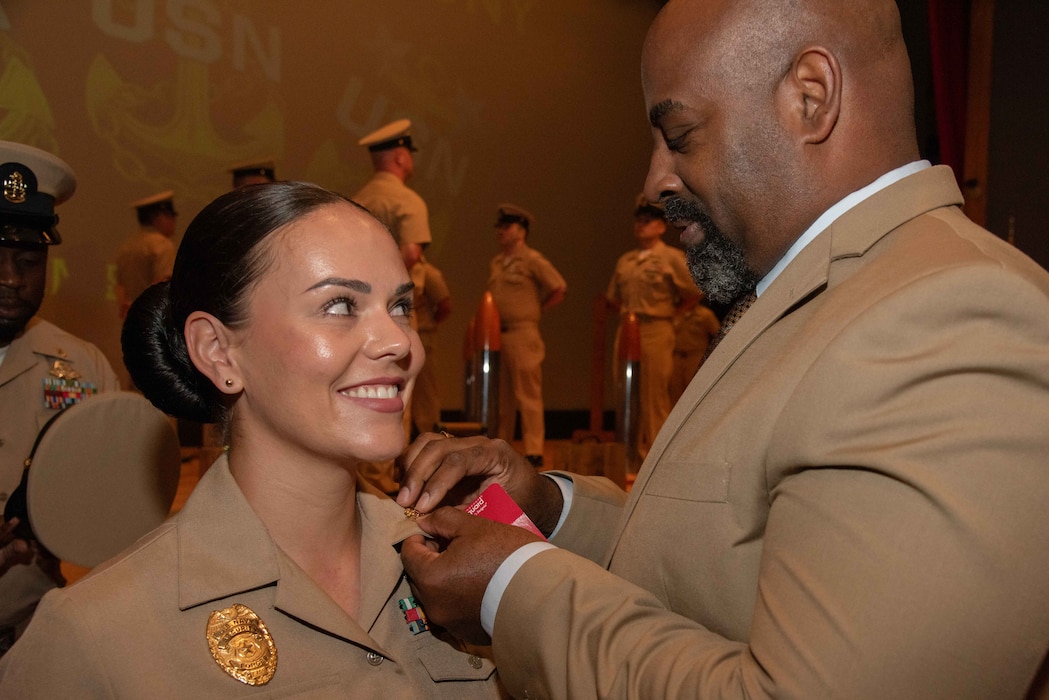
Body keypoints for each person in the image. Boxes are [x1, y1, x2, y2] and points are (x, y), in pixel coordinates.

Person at [394, 1, 1049, 698]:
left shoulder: (953, 319)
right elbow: (734, 555)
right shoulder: (825, 290)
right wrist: (550, 509)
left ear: (810, 97)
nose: (654, 183)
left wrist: (513, 589)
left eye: (679, 136)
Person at [0, 182, 506, 697]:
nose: (400, 342)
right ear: (219, 352)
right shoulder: (97, 635)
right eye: (339, 305)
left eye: (401, 307)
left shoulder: (463, 561)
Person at [0, 141, 119, 654]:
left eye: (28, 261)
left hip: (38, 639)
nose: (10, 279)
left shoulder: (83, 364)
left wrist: (64, 529)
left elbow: (118, 498)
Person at [353, 118, 439, 491]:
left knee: (361, 390)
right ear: (402, 157)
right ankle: (385, 483)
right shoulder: (408, 201)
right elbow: (410, 253)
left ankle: (365, 478)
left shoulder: (355, 200)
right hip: (393, 314)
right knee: (393, 392)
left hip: (356, 316)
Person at [605, 194, 700, 458]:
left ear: (660, 226)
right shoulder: (626, 261)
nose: (641, 226)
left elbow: (694, 293)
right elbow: (613, 299)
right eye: (638, 221)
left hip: (656, 330)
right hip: (627, 331)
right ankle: (628, 455)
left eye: (648, 221)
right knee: (625, 394)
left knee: (653, 397)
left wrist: (672, 316)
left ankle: (656, 458)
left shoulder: (671, 257)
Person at [486, 204, 566, 468]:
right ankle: (503, 444)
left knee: (528, 394)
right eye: (499, 227)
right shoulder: (497, 262)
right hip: (500, 335)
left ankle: (534, 450)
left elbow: (558, 287)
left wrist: (537, 309)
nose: (500, 231)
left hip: (523, 332)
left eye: (506, 227)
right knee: (503, 398)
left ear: (520, 231)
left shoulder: (532, 259)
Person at [404, 240, 451, 436]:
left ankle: (430, 441)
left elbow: (445, 306)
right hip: (404, 336)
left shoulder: (429, 274)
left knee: (426, 396)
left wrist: (427, 326)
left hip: (424, 337)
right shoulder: (398, 270)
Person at [114, 190, 177, 318]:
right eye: (171, 216)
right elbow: (161, 285)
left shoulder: (127, 246)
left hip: (132, 317)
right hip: (153, 318)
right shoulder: (162, 245)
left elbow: (120, 286)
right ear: (159, 218)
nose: (174, 221)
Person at [668, 294, 719, 404]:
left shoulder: (705, 315)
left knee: (695, 392)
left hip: (695, 358)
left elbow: (719, 335)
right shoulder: (674, 314)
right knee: (674, 394)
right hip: (677, 358)